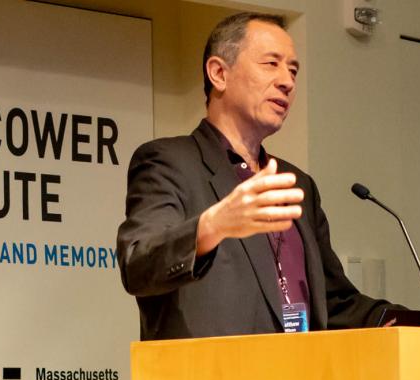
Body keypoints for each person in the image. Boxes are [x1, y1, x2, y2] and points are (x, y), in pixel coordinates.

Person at [117, 12, 404, 340]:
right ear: (219, 73)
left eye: (293, 69)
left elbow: (333, 302)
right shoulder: (168, 162)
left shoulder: (297, 184)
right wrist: (214, 225)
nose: (287, 81)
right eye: (271, 64)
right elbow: (138, 264)